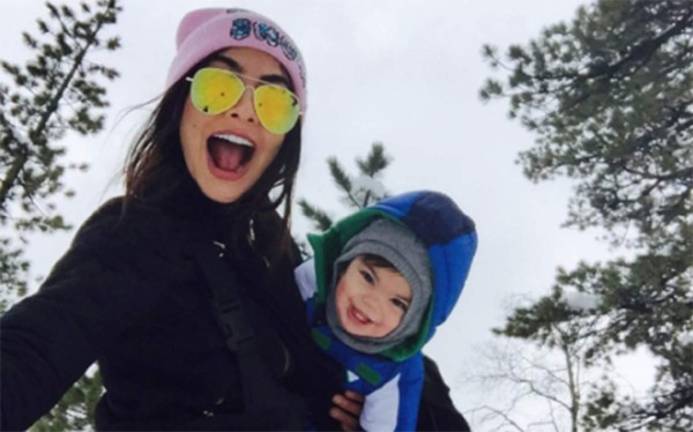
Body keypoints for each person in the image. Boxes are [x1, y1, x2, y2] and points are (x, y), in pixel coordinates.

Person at [1, 7, 361, 430]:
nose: (245, 111)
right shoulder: (132, 235)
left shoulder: (277, 258)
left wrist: (356, 411)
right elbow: (35, 349)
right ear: (180, 106)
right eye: (219, 86)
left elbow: (359, 362)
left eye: (275, 102)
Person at [294, 190, 478, 431]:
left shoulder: (394, 373)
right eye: (368, 277)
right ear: (344, 263)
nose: (371, 303)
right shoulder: (311, 284)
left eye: (397, 302)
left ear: (415, 322)